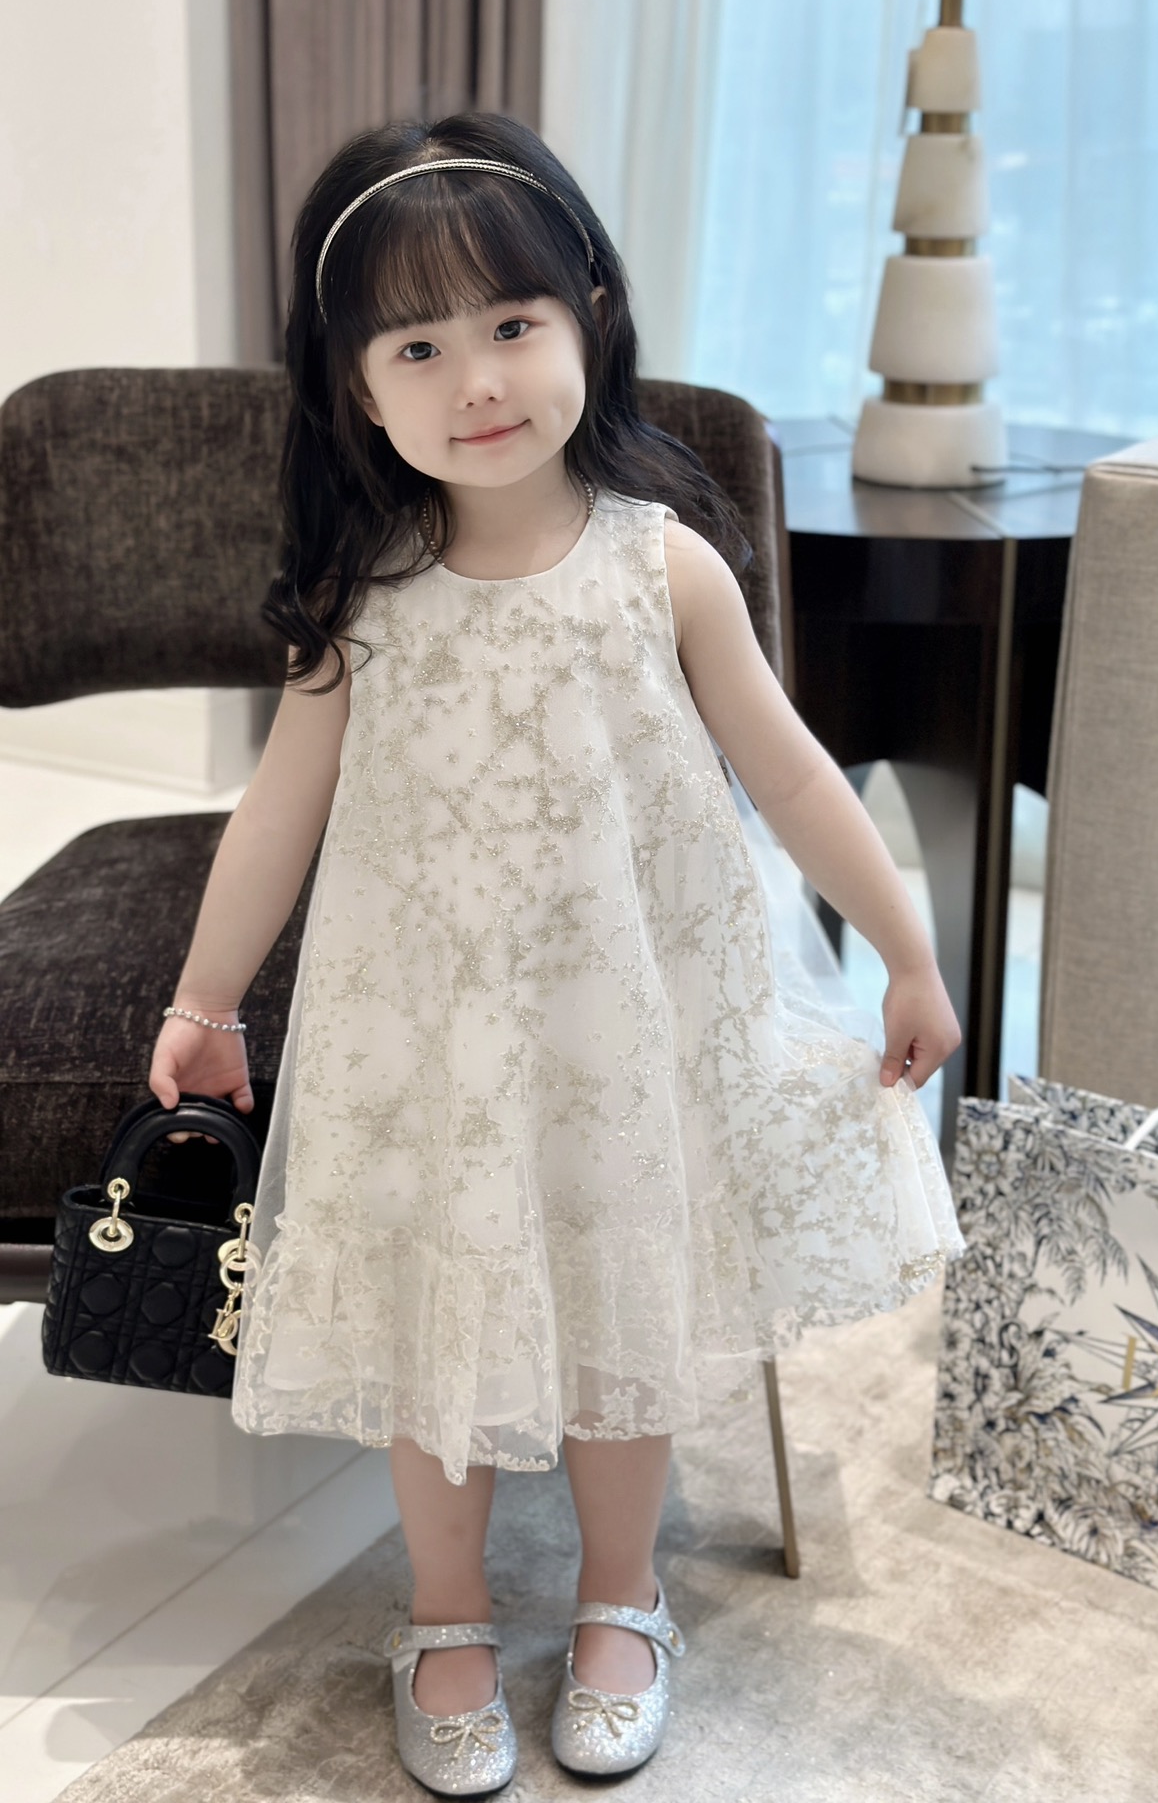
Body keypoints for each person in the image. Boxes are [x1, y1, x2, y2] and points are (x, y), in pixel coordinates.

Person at [148, 111, 963, 1797]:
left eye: (512, 323)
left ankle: (619, 1597)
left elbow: (791, 774)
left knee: (618, 1316)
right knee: (434, 1329)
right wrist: (205, 1000)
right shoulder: (365, 601)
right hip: (424, 1045)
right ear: (355, 389)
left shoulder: (663, 568)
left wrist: (905, 945)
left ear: (590, 312)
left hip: (618, 1036)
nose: (478, 381)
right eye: (418, 348)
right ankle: (444, 1612)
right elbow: (276, 816)